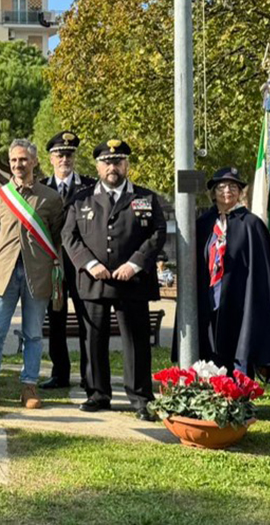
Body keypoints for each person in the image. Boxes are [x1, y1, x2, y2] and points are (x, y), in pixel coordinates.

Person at [61, 139, 167, 421]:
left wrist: (135, 263)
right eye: (107, 162)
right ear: (97, 166)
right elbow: (68, 236)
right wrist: (89, 264)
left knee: (136, 341)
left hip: (133, 281)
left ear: (127, 165)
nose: (112, 167)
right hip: (95, 280)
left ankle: (141, 397)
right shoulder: (80, 199)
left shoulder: (145, 197)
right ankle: (98, 394)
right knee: (93, 339)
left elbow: (158, 232)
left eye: (118, 161)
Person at [0, 139, 63, 408]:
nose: (18, 165)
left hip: (38, 274)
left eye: (23, 160)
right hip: (4, 274)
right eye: (13, 160)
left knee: (33, 334)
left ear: (34, 162)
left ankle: (29, 387)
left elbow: (56, 237)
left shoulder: (51, 198)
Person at [192, 167, 270, 373]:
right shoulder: (203, 224)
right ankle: (213, 396)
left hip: (240, 303)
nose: (227, 190)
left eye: (233, 186)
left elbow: (261, 270)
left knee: (238, 354)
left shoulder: (251, 224)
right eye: (222, 186)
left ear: (240, 192)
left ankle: (239, 397)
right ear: (213, 192)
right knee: (210, 352)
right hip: (210, 300)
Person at [39, 131, 97, 391]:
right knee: (57, 320)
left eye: (69, 154)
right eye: (60, 154)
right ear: (51, 158)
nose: (65, 158)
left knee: (88, 321)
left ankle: (89, 375)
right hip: (54, 265)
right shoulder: (41, 187)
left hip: (83, 264)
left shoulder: (91, 186)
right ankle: (60, 373)